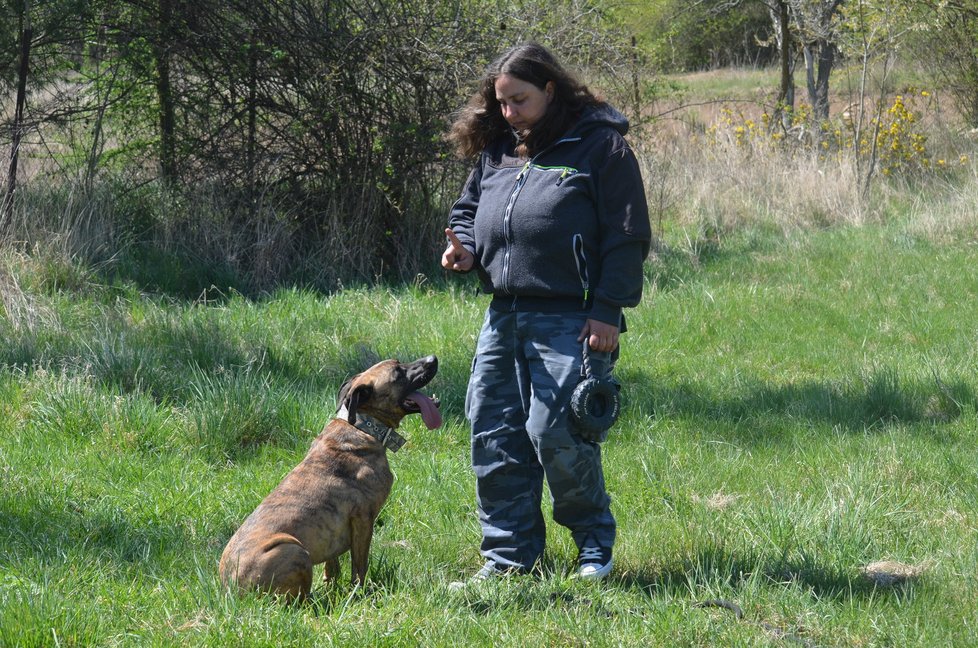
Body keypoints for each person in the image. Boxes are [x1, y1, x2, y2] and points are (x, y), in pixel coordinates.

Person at [441, 42, 651, 583]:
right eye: (502, 102)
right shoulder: (498, 149)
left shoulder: (600, 147)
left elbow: (627, 237)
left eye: (520, 100)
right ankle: (510, 559)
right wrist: (464, 246)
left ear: (551, 90)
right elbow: (468, 210)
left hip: (575, 319)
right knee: (495, 434)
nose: (509, 112)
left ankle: (593, 549)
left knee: (557, 432)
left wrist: (607, 310)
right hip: (504, 316)